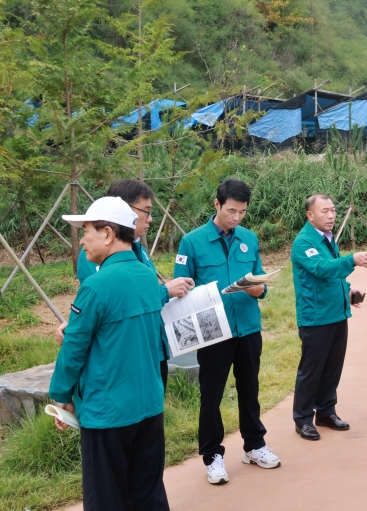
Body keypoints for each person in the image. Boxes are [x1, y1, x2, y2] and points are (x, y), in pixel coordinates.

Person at [50, 197, 169, 510]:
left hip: (108, 412)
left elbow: (74, 347)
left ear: (107, 233)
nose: (83, 240)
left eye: (86, 230)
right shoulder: (146, 277)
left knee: (106, 498)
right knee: (148, 492)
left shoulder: (96, 286)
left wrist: (61, 397)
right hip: (148, 405)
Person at [174, 179, 280, 485]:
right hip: (213, 332)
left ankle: (255, 445)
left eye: (242, 212)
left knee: (250, 389)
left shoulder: (249, 238)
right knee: (212, 395)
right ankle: (212, 455)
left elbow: (260, 281)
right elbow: (181, 287)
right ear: (217, 205)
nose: (236, 218)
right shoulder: (192, 243)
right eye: (231, 210)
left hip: (247, 326)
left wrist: (259, 290)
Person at [58, 179, 195, 392]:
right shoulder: (95, 255)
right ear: (124, 211)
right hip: (123, 357)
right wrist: (165, 291)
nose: (150, 219)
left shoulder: (138, 248)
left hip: (150, 349)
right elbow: (112, 302)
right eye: (146, 211)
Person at [290, 194, 367, 441]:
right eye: (324, 211)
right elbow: (321, 268)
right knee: (311, 370)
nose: (331, 216)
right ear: (310, 215)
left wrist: (347, 290)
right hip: (315, 317)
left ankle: (326, 412)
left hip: (336, 314)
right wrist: (353, 260)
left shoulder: (327, 239)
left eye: (333, 211)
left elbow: (331, 275)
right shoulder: (303, 242)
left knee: (332, 368)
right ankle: (303, 419)